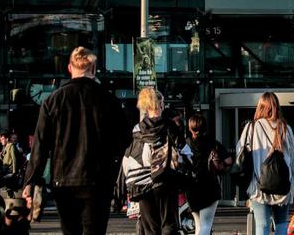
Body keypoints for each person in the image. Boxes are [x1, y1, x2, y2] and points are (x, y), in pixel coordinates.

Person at [23, 46, 131, 235]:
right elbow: (124, 140)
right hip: (97, 181)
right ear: (94, 68)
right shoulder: (108, 100)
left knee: (70, 230)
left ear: (69, 68)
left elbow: (40, 145)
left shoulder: (53, 101)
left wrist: (30, 181)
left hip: (63, 180)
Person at [122, 88, 184, 235]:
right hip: (166, 180)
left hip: (142, 184)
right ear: (161, 105)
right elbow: (184, 152)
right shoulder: (170, 127)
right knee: (168, 224)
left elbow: (129, 157)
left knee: (150, 228)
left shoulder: (137, 130)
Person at [237, 92, 294, 235]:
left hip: (258, 185)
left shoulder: (251, 127)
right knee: (281, 224)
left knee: (262, 225)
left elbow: (240, 154)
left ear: (260, 107)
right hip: (283, 184)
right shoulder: (285, 128)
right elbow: (293, 158)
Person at [185, 113, 232, 235]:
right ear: (205, 128)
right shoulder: (212, 143)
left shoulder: (186, 144)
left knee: (199, 226)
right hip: (210, 187)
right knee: (206, 225)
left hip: (191, 188)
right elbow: (228, 160)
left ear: (190, 128)